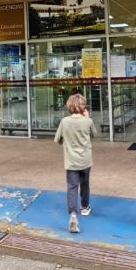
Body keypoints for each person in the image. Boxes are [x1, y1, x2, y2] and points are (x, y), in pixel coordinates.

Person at [54, 93, 99, 234]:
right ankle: (85, 207)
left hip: (71, 161)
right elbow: (94, 134)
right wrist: (88, 118)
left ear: (70, 105)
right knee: (85, 183)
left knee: (72, 187)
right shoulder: (88, 121)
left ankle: (73, 214)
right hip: (85, 160)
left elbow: (57, 139)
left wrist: (65, 141)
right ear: (83, 106)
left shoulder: (64, 121)